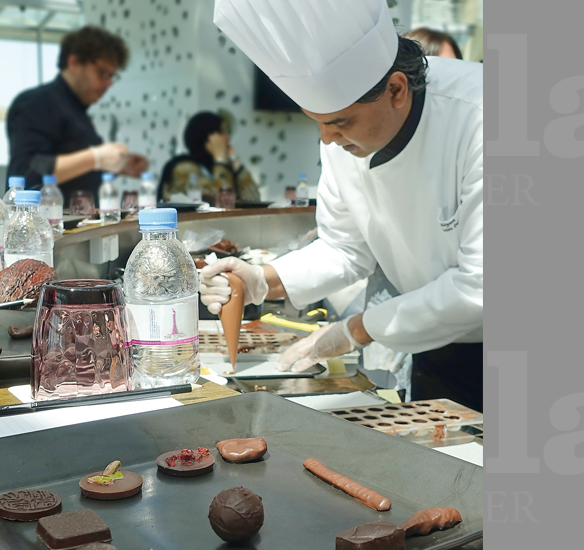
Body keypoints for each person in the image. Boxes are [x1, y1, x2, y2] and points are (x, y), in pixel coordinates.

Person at [204, 0, 483, 411]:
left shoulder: (481, 116)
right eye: (316, 122)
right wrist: (263, 279)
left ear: (397, 90)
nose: (329, 139)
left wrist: (355, 329)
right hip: (437, 342)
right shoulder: (342, 135)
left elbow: (480, 285)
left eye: (340, 123)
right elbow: (344, 249)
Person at [6, 26, 148, 203]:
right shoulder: (37, 103)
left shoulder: (78, 111)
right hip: (46, 225)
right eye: (102, 73)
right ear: (73, 63)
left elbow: (73, 171)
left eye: (112, 76)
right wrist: (96, 158)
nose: (108, 83)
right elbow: (25, 174)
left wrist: (114, 166)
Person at [158, 112, 261, 203]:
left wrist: (236, 162)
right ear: (207, 137)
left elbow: (254, 201)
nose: (228, 137)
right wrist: (220, 160)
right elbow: (221, 204)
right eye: (222, 132)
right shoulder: (183, 169)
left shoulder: (220, 168)